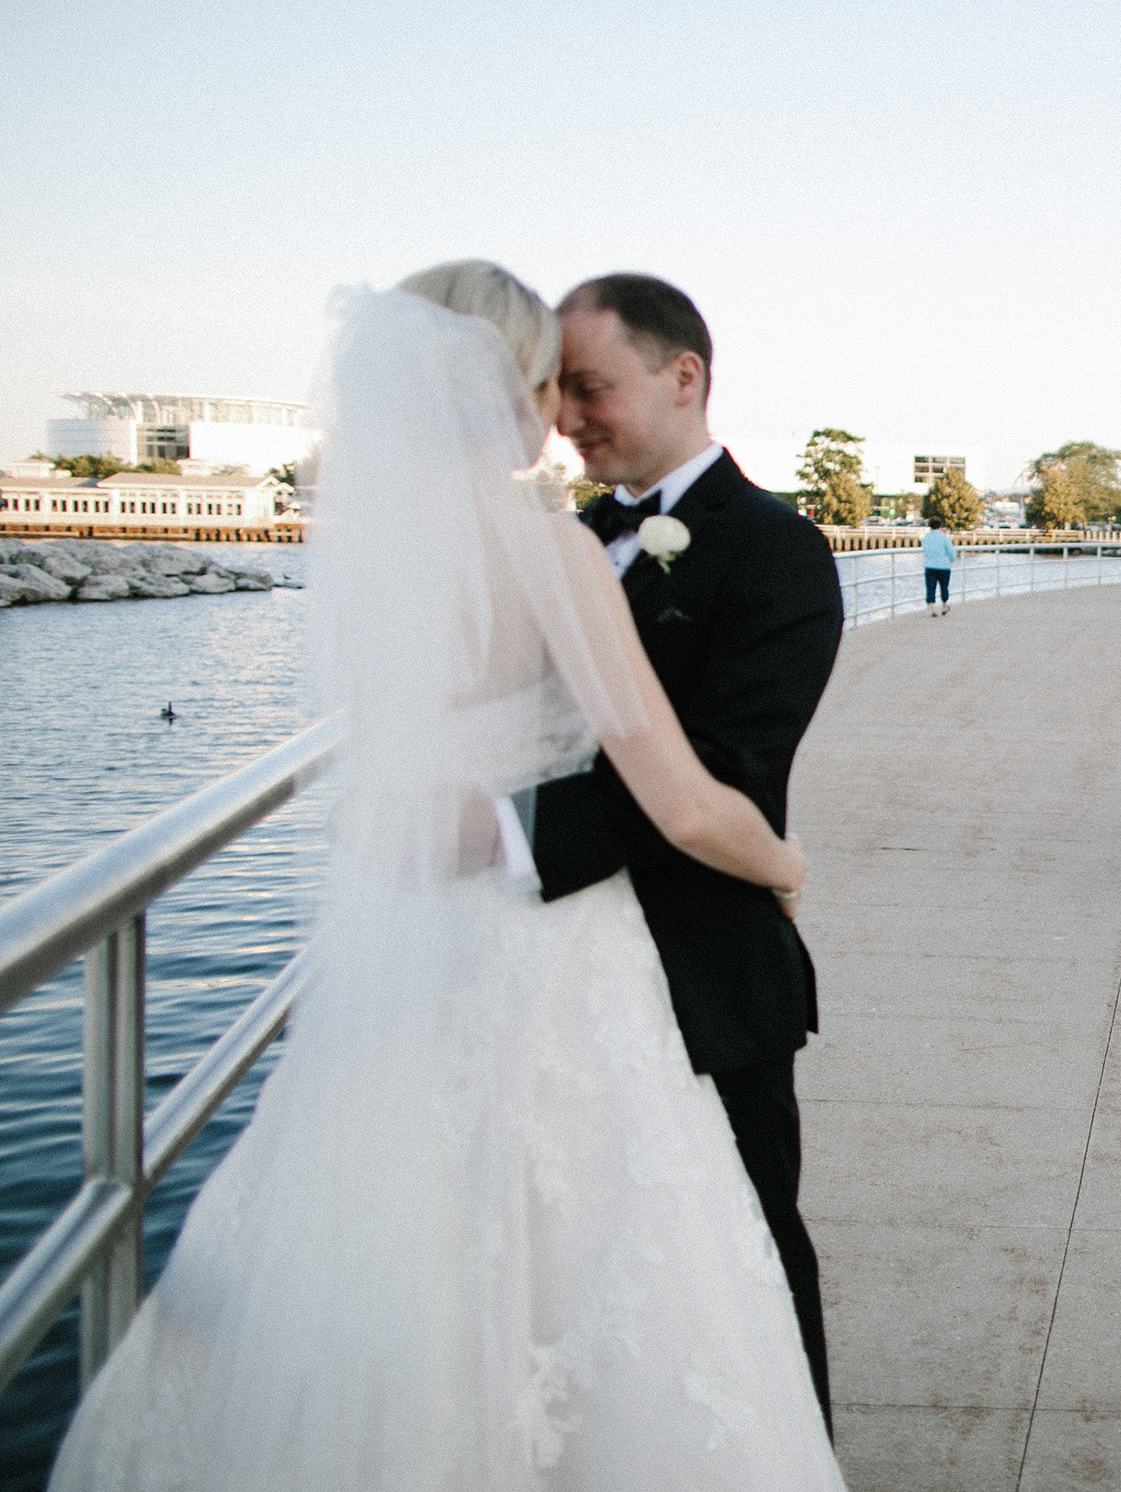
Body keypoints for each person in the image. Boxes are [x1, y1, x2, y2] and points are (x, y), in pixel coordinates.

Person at [49, 265, 845, 1489]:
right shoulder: (557, 549)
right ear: (503, 389)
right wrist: (786, 865)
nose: (569, 413)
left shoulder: (763, 550)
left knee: (693, 1255)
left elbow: (727, 753)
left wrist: (480, 816)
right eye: (553, 384)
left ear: (681, 376)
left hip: (607, 951)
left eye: (592, 386)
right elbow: (687, 801)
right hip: (552, 961)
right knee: (603, 1266)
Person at [922, 515, 955, 615]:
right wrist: (951, 560)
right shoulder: (944, 537)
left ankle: (932, 608)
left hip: (930, 565)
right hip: (944, 565)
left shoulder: (926, 537)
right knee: (944, 587)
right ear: (940, 525)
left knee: (930, 587)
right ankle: (944, 606)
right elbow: (951, 551)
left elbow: (925, 549)